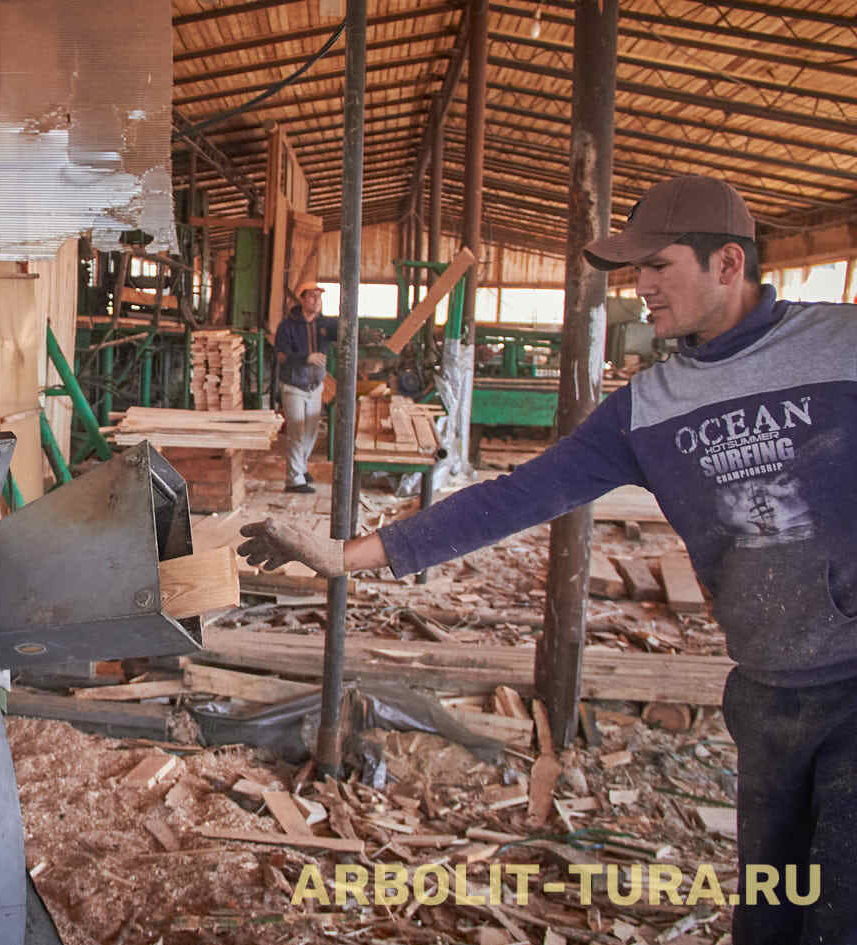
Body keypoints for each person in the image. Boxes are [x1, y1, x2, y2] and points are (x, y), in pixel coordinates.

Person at [238, 175, 857, 945]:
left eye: (660, 267)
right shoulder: (651, 406)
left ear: (728, 264)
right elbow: (512, 497)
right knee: (772, 910)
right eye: (637, 271)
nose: (643, 288)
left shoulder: (840, 347)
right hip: (765, 695)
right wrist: (345, 555)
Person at [274, 281, 336, 493]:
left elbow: (345, 331)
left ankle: (300, 467)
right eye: (312, 296)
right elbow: (282, 357)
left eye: (319, 296)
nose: (317, 300)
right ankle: (294, 479)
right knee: (297, 432)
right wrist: (306, 358)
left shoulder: (324, 325)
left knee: (311, 432)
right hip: (294, 386)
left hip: (315, 386)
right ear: (301, 299)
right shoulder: (287, 326)